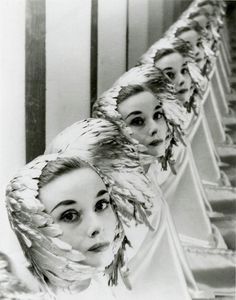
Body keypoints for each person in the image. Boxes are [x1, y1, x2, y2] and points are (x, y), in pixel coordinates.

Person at [93, 64, 236, 297]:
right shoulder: (116, 200)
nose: (155, 128)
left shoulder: (148, 167)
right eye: (138, 121)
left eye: (158, 115)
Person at [6, 118, 156, 299]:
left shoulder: (101, 282)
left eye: (101, 205)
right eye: (69, 216)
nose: (96, 226)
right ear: (33, 230)